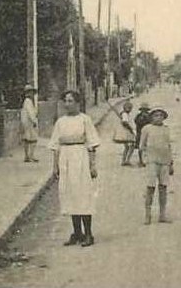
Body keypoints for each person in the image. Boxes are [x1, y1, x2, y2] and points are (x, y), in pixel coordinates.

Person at [49, 90, 101, 246]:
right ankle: (77, 232)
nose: (67, 104)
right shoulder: (60, 122)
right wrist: (55, 166)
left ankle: (89, 234)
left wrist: (92, 165)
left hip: (80, 157)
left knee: (83, 194)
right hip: (65, 158)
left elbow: (92, 144)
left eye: (71, 101)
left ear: (78, 103)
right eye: (65, 101)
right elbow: (55, 145)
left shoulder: (85, 120)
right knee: (69, 194)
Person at [138, 107, 174, 224]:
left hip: (164, 162)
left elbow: (168, 146)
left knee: (163, 188)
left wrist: (171, 163)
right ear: (151, 117)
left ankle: (162, 214)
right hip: (152, 161)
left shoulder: (166, 129)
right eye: (156, 115)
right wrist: (144, 159)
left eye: (161, 115)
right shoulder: (146, 129)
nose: (158, 118)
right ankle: (147, 215)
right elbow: (141, 146)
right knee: (150, 188)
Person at [113, 101, 137, 166]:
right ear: (124, 108)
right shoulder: (125, 114)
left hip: (126, 132)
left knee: (127, 147)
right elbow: (125, 122)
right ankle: (127, 160)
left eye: (130, 108)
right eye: (128, 108)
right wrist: (131, 129)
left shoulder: (125, 114)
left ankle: (124, 160)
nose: (129, 109)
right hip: (127, 132)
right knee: (131, 146)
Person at [20, 84, 39, 163]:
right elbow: (31, 113)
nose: (31, 94)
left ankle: (27, 156)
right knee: (32, 139)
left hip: (26, 122)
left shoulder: (27, 102)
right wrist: (34, 121)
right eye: (30, 92)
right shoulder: (28, 102)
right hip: (29, 123)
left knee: (27, 139)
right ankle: (30, 156)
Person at [134, 102, 152, 167]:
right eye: (143, 110)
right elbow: (136, 122)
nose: (144, 111)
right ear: (141, 110)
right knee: (140, 147)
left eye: (145, 110)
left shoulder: (149, 116)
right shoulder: (138, 116)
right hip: (140, 133)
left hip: (148, 133)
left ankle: (148, 159)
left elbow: (151, 123)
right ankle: (141, 160)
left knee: (149, 147)